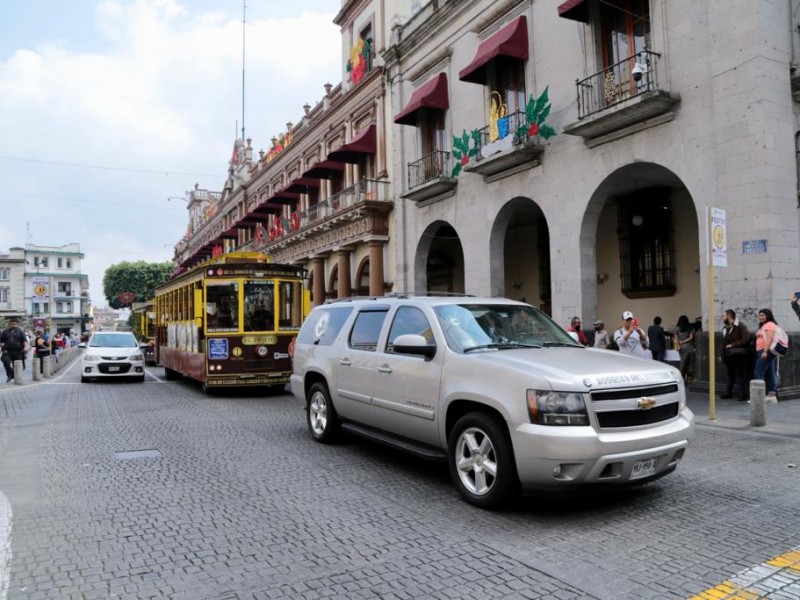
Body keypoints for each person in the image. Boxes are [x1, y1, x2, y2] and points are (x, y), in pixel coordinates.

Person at [719, 309, 751, 401]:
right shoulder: (725, 328)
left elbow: (746, 338)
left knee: (740, 374)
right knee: (730, 374)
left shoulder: (740, 326)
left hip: (738, 355)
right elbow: (723, 343)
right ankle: (728, 392)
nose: (723, 318)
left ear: (729, 316)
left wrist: (733, 345)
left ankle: (743, 393)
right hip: (728, 355)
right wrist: (721, 355)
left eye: (724, 316)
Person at [753, 308, 779, 402]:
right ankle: (772, 395)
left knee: (758, 373)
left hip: (765, 351)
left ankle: (758, 398)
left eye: (763, 315)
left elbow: (770, 339)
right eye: (759, 315)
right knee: (770, 373)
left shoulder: (770, 325)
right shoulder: (764, 325)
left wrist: (765, 351)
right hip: (763, 351)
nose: (760, 317)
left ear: (768, 316)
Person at [1, 318, 29, 382]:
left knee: (16, 366)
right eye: (12, 324)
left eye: (15, 324)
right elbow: (1, 341)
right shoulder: (5, 332)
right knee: (5, 361)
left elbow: (24, 341)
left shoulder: (20, 332)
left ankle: (16, 378)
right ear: (9, 324)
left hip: (18, 351)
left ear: (17, 325)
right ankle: (10, 374)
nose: (14, 325)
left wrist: (26, 346)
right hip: (7, 351)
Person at [675, 315, 696, 384]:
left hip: (682, 348)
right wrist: (684, 341)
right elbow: (691, 337)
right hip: (690, 348)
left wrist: (679, 344)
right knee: (690, 364)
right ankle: (690, 378)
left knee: (683, 363)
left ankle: (682, 378)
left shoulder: (677, 328)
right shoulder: (689, 327)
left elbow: (675, 339)